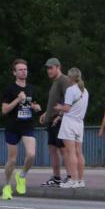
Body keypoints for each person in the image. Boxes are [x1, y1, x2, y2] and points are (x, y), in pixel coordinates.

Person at [0, 58, 42, 200]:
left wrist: (36, 107)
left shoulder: (31, 88)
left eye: (25, 69)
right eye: (20, 69)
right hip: (12, 127)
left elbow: (34, 104)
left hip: (27, 126)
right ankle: (6, 187)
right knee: (12, 160)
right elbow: (5, 110)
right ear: (14, 72)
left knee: (31, 155)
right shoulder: (9, 88)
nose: (23, 72)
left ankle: (21, 175)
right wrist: (17, 99)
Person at [40, 58, 71, 186]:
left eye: (51, 68)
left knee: (63, 149)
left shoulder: (63, 80)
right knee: (52, 149)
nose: (48, 70)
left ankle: (70, 176)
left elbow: (69, 99)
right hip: (51, 120)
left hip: (58, 121)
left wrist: (60, 115)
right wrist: (46, 113)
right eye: (47, 68)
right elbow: (55, 101)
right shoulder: (55, 82)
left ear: (58, 67)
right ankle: (56, 177)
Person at [56, 67, 89, 188]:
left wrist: (59, 107)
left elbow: (67, 108)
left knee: (70, 152)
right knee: (79, 152)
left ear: (70, 78)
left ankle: (72, 180)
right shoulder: (85, 91)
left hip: (69, 122)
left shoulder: (71, 90)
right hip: (80, 123)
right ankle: (80, 180)